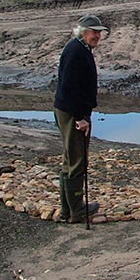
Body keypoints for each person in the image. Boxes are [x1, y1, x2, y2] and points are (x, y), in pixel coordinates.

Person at [53, 14, 108, 223]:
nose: (97, 36)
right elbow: (68, 87)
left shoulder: (80, 48)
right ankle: (76, 211)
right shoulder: (76, 51)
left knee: (70, 158)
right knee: (77, 160)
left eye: (99, 32)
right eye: (94, 32)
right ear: (82, 31)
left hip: (70, 111)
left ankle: (67, 209)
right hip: (71, 113)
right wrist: (79, 117)